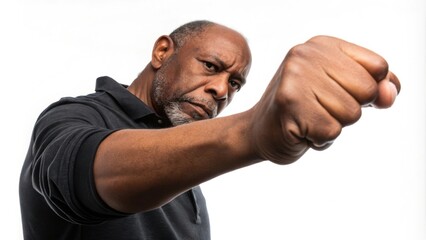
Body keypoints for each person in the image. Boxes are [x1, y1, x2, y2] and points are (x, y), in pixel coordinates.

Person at [19, 20, 400, 240]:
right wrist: (249, 132)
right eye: (212, 66)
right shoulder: (76, 116)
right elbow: (78, 174)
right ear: (162, 52)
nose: (221, 90)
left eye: (236, 85)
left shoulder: (187, 169)